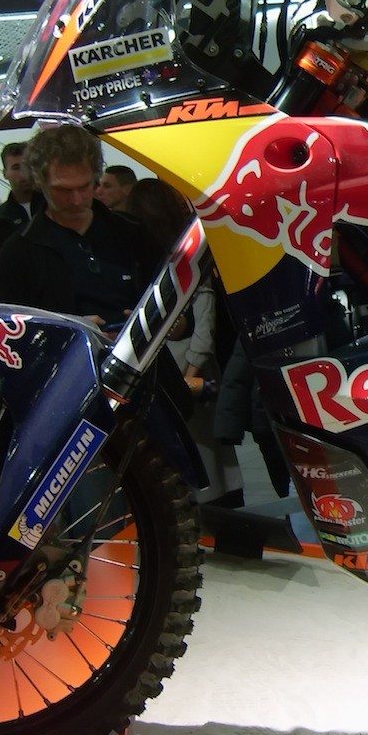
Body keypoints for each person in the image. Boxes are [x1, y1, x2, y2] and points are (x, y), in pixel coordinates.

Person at [129, 178, 243, 508]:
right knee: (211, 453)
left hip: (179, 366)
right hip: (190, 365)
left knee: (198, 450)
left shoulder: (167, 256)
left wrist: (190, 368)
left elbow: (203, 317)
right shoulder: (184, 251)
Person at [0, 125, 161, 327]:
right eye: (62, 190)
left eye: (84, 186)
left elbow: (178, 311)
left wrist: (157, 322)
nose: (76, 200)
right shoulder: (19, 251)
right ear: (39, 181)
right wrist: (70, 329)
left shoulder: (132, 232)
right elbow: (10, 330)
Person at [0, 139, 44, 226]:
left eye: (27, 166)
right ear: (5, 173)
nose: (24, 173)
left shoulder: (51, 204)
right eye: (16, 168)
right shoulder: (0, 217)